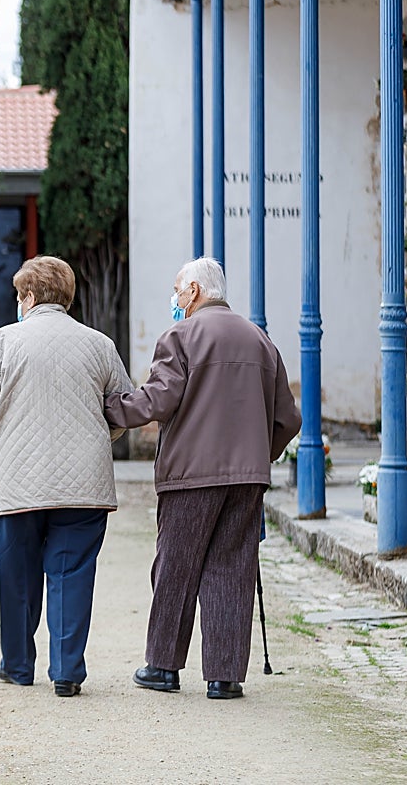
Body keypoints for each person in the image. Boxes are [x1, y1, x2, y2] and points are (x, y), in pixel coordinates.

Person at [103, 257, 301, 701]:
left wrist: (111, 408)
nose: (174, 299)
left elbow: (158, 399)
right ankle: (225, 677)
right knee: (233, 569)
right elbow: (288, 418)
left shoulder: (181, 336)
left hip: (191, 475)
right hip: (247, 480)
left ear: (194, 290)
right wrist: (257, 455)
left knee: (175, 566)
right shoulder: (261, 341)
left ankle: (163, 666)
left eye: (177, 290)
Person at [0, 256, 132, 697]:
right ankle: (67, 671)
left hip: (18, 483)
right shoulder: (99, 344)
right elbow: (122, 406)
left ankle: (18, 666)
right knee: (72, 572)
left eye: (20, 294)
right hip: (85, 484)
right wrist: (99, 439)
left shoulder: (3, 342)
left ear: (30, 297)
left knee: (17, 576)